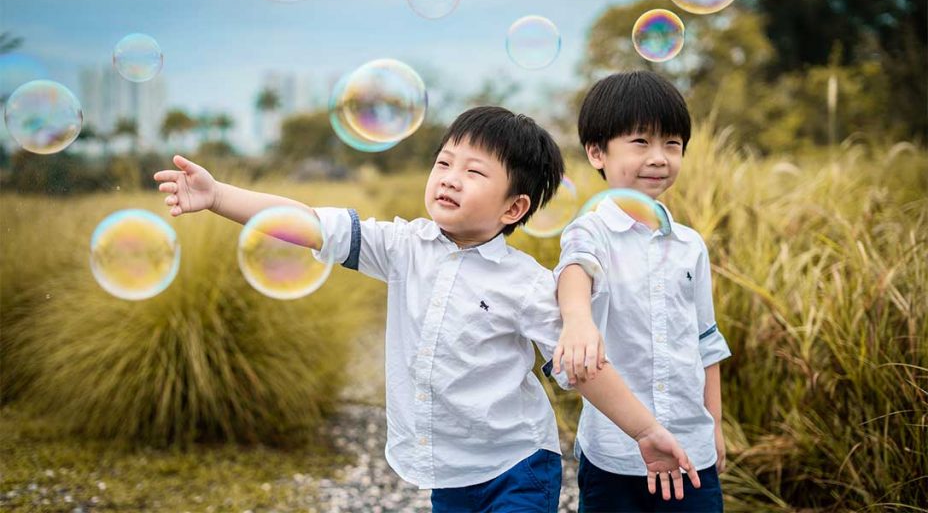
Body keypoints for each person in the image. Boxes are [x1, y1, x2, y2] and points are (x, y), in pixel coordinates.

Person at [155, 105, 701, 512]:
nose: (449, 177)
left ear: (515, 207)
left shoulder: (527, 284)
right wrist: (218, 195)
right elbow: (307, 222)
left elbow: (583, 368)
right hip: (448, 471)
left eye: (474, 172)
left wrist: (644, 431)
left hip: (518, 465)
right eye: (444, 162)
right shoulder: (401, 247)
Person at [553, 72, 730, 512]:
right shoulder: (590, 232)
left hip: (692, 452)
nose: (658, 157)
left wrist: (715, 428)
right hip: (615, 456)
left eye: (672, 144)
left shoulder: (690, 245)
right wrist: (577, 320)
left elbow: (706, 343)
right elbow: (575, 268)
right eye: (640, 142)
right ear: (597, 152)